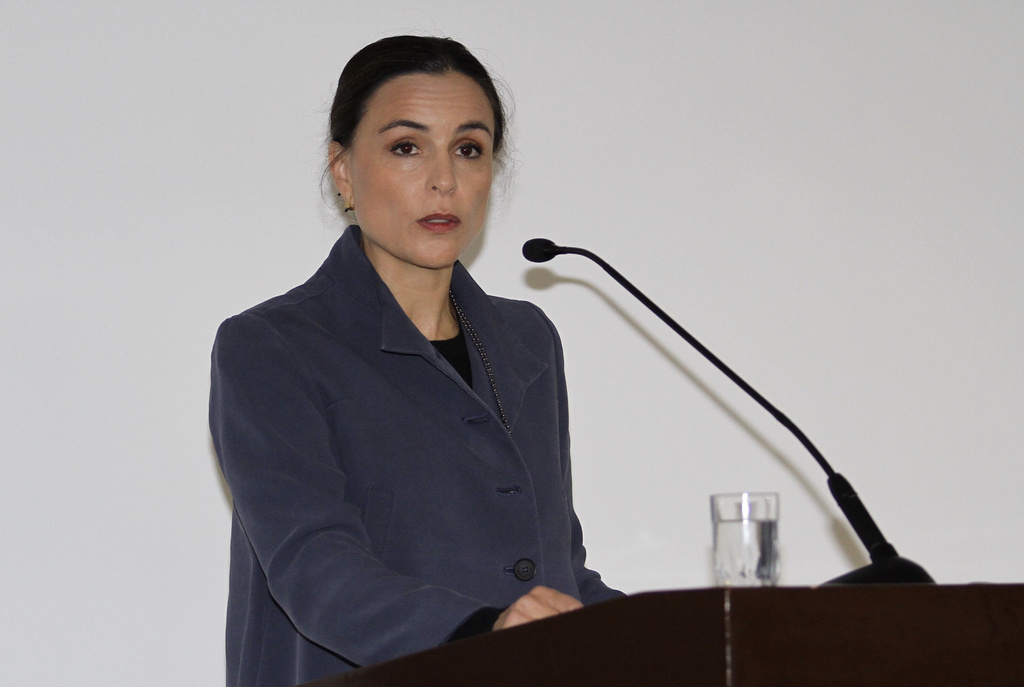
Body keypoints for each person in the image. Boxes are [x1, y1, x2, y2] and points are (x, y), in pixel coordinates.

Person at [210, 35, 621, 687]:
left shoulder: (528, 341)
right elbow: (315, 569)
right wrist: (485, 632)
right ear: (343, 171)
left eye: (469, 149)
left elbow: (555, 570)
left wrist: (683, 635)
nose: (444, 180)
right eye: (407, 147)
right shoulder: (272, 347)